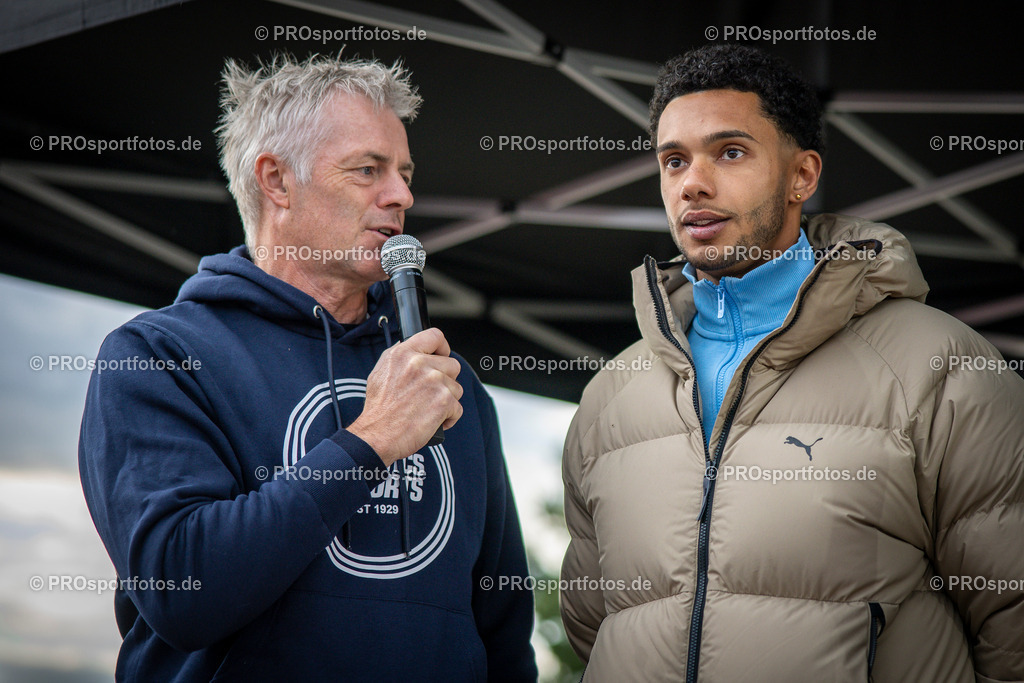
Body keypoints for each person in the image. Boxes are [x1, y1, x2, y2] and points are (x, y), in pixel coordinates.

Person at [559, 43, 1024, 682]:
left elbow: (1014, 622)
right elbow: (595, 627)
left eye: (730, 152)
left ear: (802, 176)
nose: (692, 182)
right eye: (673, 160)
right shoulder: (612, 393)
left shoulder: (941, 366)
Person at [79, 53, 537, 682]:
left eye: (403, 172)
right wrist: (370, 441)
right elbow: (182, 590)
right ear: (276, 181)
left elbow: (503, 629)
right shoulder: (159, 355)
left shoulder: (442, 378)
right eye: (367, 170)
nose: (402, 194)